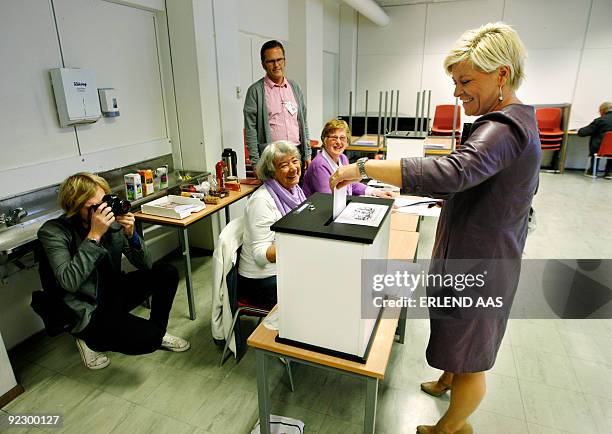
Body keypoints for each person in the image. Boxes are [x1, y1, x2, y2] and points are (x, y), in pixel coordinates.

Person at [330, 23, 540, 434]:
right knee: (454, 329)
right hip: (471, 249)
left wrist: (364, 166)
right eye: (454, 82)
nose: (457, 92)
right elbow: (483, 182)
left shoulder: (503, 128)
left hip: (483, 265)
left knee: (472, 354)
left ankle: (451, 427)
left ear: (501, 73)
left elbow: (454, 171)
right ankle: (448, 378)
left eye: (465, 81)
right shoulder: (508, 122)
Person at [37, 173, 190, 370]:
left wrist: (132, 235)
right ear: (74, 207)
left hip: (112, 292)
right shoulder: (54, 232)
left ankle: (157, 332)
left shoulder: (112, 222)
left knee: (166, 273)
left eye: (104, 202)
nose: (103, 210)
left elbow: (146, 264)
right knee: (148, 339)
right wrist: (94, 235)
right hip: (87, 307)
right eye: (95, 206)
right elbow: (69, 281)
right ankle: (87, 339)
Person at [238, 141, 305, 309]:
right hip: (262, 279)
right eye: (284, 165)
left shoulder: (295, 191)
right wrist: (303, 245)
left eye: (295, 161)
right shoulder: (262, 201)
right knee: (317, 288)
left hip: (284, 267)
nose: (293, 168)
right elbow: (261, 255)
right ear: (271, 172)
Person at [243, 40, 311, 169]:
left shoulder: (294, 87)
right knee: (274, 190)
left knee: (297, 189)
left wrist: (307, 153)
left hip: (296, 154)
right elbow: (250, 130)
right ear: (263, 64)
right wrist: (256, 163)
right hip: (272, 157)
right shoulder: (256, 91)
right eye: (271, 61)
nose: (276, 65)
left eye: (279, 60)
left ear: (284, 61)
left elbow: (303, 122)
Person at [302, 119, 394, 199]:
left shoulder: (343, 158)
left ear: (347, 142)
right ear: (324, 140)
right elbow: (328, 199)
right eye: (334, 137)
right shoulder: (319, 164)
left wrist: (378, 193)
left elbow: (351, 185)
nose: (338, 142)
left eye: (342, 138)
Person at [578, 101, 612, 178]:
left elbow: (583, 133)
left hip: (599, 148)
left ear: (602, 110)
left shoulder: (600, 120)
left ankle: (593, 170)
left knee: (597, 146)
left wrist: (579, 130)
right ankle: (609, 172)